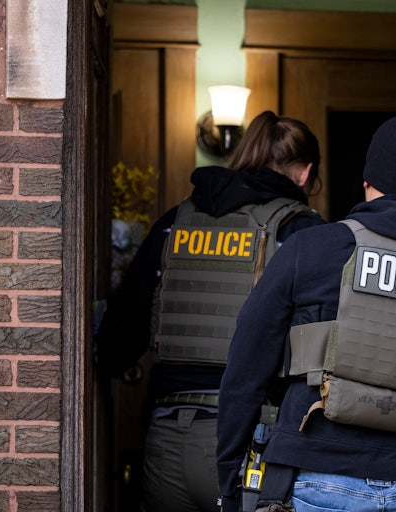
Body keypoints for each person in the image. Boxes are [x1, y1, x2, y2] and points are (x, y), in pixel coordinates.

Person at [216, 113, 396, 512]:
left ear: (368, 182)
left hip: (314, 479)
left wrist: (231, 482)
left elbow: (244, 375)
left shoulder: (308, 252)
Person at [96, 110, 325, 512]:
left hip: (165, 438)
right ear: (304, 174)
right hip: (245, 443)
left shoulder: (175, 222)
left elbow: (119, 338)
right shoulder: (301, 232)